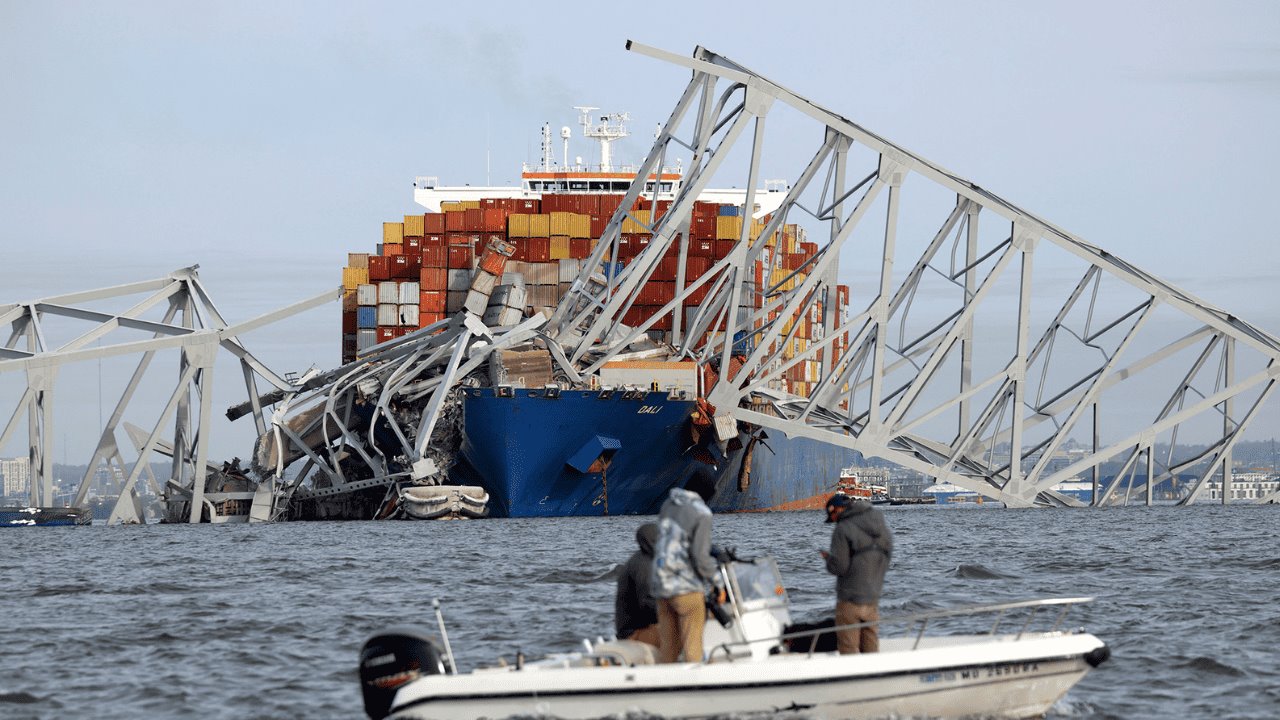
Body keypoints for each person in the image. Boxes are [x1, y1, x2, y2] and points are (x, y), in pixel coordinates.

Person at [651, 470, 723, 663]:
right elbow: (700, 557)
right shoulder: (702, 513)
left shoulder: (667, 505)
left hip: (660, 587)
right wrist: (718, 582)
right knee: (693, 647)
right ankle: (696, 688)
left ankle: (665, 688)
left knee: (668, 649)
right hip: (685, 589)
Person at [821, 492, 893, 654]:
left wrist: (828, 560)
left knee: (848, 648)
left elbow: (839, 567)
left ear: (838, 509)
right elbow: (886, 555)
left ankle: (853, 678)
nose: (832, 521)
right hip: (872, 597)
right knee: (871, 648)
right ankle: (874, 677)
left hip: (850, 599)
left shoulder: (843, 528)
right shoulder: (879, 523)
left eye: (831, 516)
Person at [614, 522, 660, 646]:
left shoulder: (642, 560)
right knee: (679, 631)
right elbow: (647, 604)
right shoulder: (643, 566)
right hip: (633, 633)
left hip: (635, 629)